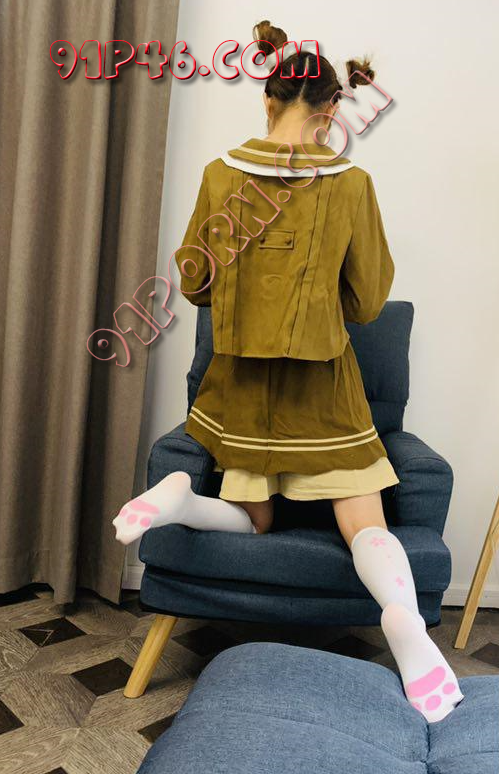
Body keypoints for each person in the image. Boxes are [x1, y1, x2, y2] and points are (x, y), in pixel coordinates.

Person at [113, 20, 463, 723]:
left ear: (267, 98)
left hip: (240, 390)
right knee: (363, 522)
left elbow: (195, 281)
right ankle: (402, 618)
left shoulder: (221, 175)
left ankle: (181, 497)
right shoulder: (351, 183)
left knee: (255, 520)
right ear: (332, 109)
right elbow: (368, 301)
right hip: (322, 388)